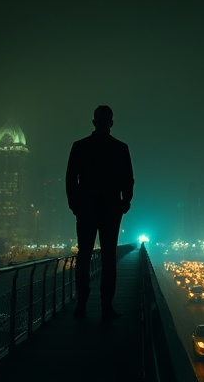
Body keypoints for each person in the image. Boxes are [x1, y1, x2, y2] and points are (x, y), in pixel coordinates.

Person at [66, 105, 134, 320]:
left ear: (94, 122)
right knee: (108, 258)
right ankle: (106, 306)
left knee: (84, 256)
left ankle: (82, 303)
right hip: (111, 210)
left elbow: (71, 179)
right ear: (111, 123)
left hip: (86, 209)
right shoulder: (120, 148)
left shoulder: (80, 146)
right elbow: (128, 179)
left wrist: (75, 204)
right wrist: (125, 202)